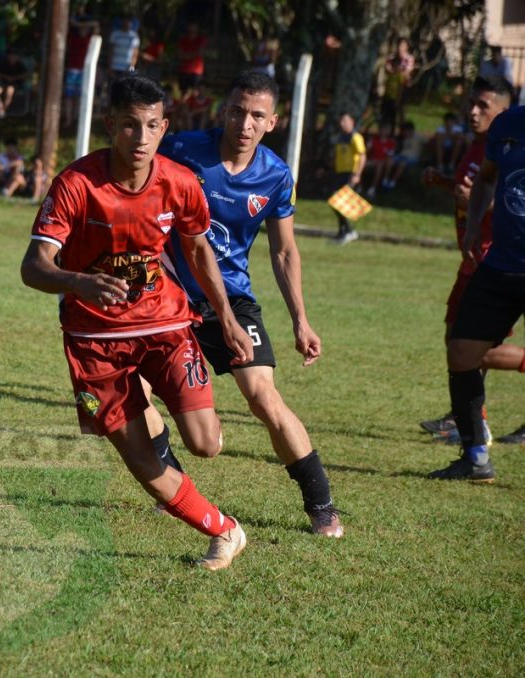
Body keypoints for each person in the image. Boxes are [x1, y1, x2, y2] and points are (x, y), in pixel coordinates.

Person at [21, 73, 253, 570]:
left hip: (165, 327)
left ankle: (168, 412)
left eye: (151, 126)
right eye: (130, 125)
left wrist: (228, 319)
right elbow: (33, 266)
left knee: (205, 444)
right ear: (111, 125)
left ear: (164, 126)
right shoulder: (76, 184)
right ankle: (224, 531)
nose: (141, 138)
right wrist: (79, 282)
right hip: (93, 340)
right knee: (141, 461)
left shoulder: (179, 182)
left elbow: (196, 248)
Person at [150, 70, 344, 537]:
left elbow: (283, 251)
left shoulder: (276, 176)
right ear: (224, 110)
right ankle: (171, 484)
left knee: (263, 396)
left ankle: (321, 505)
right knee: (134, 387)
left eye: (257, 115)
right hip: (169, 295)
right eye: (238, 111)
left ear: (272, 122)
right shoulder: (181, 150)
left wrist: (301, 320)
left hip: (231, 302)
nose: (245, 123)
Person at [419, 77, 523, 447]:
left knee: (477, 345)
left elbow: (504, 194)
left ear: (503, 107)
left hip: (493, 256)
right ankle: (466, 426)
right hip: (481, 255)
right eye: (471, 104)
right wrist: (449, 186)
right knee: (457, 339)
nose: (473, 111)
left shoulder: (502, 140)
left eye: (483, 105)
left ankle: (471, 421)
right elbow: (482, 188)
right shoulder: (489, 141)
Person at [329, 112, 366, 245]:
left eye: (345, 120)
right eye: (341, 121)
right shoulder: (341, 138)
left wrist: (357, 175)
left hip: (350, 174)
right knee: (335, 202)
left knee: (337, 200)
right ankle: (343, 232)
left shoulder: (355, 137)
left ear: (352, 122)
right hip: (340, 174)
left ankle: (349, 231)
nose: (342, 123)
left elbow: (362, 156)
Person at [380, 37, 414, 128]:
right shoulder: (391, 57)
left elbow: (407, 73)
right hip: (390, 89)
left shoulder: (409, 58)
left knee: (401, 112)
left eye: (403, 45)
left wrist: (397, 71)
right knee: (387, 112)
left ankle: (401, 133)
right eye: (399, 45)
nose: (400, 47)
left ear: (406, 47)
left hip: (402, 89)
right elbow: (387, 69)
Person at [381, 120, 424, 190]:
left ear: (411, 130)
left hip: (412, 158)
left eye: (406, 131)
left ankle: (392, 183)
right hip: (401, 156)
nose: (404, 133)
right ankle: (385, 180)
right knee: (390, 160)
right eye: (404, 131)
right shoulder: (402, 138)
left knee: (402, 163)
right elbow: (395, 148)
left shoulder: (419, 136)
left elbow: (429, 142)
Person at [365, 122, 397, 200]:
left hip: (383, 162)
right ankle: (373, 188)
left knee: (385, 162)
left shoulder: (391, 142)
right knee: (379, 164)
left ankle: (380, 183)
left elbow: (391, 155)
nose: (384, 131)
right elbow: (366, 151)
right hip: (373, 160)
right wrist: (368, 145)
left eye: (387, 130)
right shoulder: (374, 140)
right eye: (383, 129)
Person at [0, 51, 28, 119]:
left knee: (10, 91)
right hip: (4, 84)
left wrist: (14, 78)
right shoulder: (4, 64)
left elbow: (26, 75)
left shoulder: (20, 65)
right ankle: (1, 109)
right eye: (11, 56)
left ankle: (2, 111)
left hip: (15, 85)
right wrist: (6, 77)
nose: (12, 58)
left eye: (14, 56)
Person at [175, 21, 207, 91]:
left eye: (194, 27)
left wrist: (186, 55)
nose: (192, 29)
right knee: (183, 92)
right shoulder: (182, 40)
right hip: (184, 70)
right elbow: (180, 56)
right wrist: (194, 54)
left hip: (196, 71)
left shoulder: (201, 39)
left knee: (195, 91)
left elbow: (200, 53)